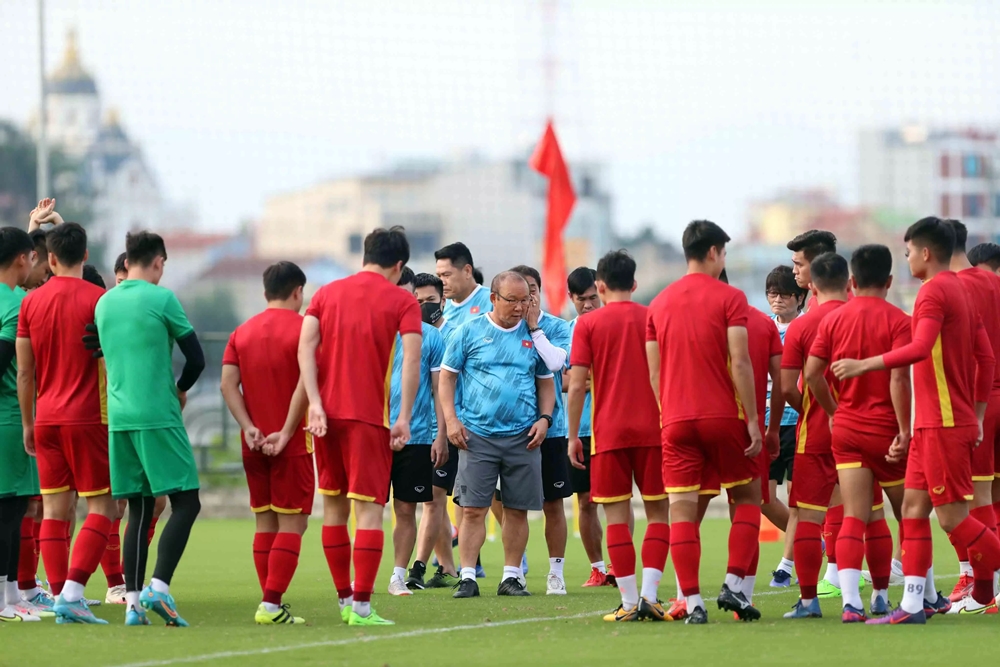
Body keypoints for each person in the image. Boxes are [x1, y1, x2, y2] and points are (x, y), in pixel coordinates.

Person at [832, 216, 1000, 624]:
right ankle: (911, 605)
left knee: (952, 517)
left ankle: (982, 587)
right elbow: (987, 357)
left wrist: (862, 365)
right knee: (911, 508)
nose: (905, 259)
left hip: (942, 422)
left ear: (925, 253)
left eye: (907, 251)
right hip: (937, 422)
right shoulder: (961, 289)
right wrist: (975, 416)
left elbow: (921, 347)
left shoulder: (932, 293)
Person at [299, 226, 422, 627]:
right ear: (399, 265)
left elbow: (305, 346)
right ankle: (364, 608)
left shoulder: (325, 293)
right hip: (369, 418)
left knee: (333, 510)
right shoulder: (403, 300)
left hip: (326, 417)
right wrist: (403, 417)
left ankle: (343, 599)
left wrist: (314, 404)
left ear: (365, 254)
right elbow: (413, 362)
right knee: (369, 514)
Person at [646, 219, 763, 625]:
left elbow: (654, 374)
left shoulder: (658, 304)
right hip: (723, 415)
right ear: (714, 252)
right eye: (724, 253)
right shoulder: (731, 297)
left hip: (675, 420)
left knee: (680, 511)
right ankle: (732, 582)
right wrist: (752, 420)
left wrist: (669, 414)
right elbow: (741, 362)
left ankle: (693, 603)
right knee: (749, 497)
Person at [95, 230, 206, 627]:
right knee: (187, 501)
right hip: (158, 414)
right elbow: (196, 358)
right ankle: (160, 586)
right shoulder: (162, 298)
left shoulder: (104, 302)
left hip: (119, 421)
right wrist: (179, 390)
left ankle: (132, 604)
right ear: (158, 262)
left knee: (138, 510)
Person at [803, 245, 911, 622]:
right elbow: (899, 377)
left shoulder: (832, 320)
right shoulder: (899, 320)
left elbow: (812, 374)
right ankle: (905, 596)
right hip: (885, 431)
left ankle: (851, 603)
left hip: (846, 428)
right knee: (906, 516)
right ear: (890, 280)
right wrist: (905, 429)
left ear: (852, 281)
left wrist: (834, 411)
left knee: (854, 515)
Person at [16, 223, 113, 625]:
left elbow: (25, 372)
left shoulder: (30, 303)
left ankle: (58, 596)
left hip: (46, 419)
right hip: (88, 417)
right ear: (86, 256)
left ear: (49, 259)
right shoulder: (100, 300)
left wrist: (28, 423)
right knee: (102, 506)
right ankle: (73, 593)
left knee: (54, 510)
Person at [566, 250, 668, 621]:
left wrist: (573, 434)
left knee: (617, 519)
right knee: (658, 515)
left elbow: (576, 385)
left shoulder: (587, 326)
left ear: (601, 287)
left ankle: (627, 603)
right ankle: (651, 596)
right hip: (654, 431)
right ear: (636, 284)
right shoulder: (653, 316)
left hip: (608, 432)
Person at [440, 271, 555, 599]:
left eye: (525, 300)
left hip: (524, 435)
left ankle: (511, 576)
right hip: (477, 435)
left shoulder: (534, 335)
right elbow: (446, 379)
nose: (520, 308)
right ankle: (467, 577)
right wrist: (451, 421)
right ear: (494, 299)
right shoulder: (468, 331)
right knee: (474, 508)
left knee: (518, 509)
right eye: (512, 301)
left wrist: (545, 419)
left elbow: (546, 381)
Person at [221, 261, 312, 625]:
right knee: (294, 525)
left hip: (253, 443)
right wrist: (288, 431)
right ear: (297, 292)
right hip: (290, 444)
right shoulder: (305, 329)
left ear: (264, 293)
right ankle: (271, 605)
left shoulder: (242, 331)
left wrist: (249, 427)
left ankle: (269, 603)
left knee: (265, 523)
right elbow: (307, 383)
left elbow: (228, 384)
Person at [779, 252, 850, 619]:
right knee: (863, 514)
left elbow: (789, 386)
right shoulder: (868, 315)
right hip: (868, 429)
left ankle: (809, 600)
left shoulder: (803, 327)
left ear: (813, 282)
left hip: (817, 431)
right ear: (849, 280)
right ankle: (884, 596)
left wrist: (812, 408)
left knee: (808, 515)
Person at [942, 220, 1000, 606]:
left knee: (965, 500)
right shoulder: (994, 283)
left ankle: (982, 586)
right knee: (991, 496)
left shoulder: (956, 287)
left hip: (975, 402)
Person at [510, 265, 573, 595]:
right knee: (514, 505)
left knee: (553, 504)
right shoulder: (502, 328)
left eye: (532, 290)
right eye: (521, 292)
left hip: (552, 430)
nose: (527, 298)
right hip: (511, 431)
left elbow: (556, 366)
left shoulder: (558, 328)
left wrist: (535, 330)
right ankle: (514, 570)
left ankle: (556, 572)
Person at [387, 268, 448, 596]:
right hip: (375, 432)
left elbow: (440, 389)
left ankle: (398, 575)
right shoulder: (376, 332)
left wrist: (441, 434)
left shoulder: (432, 337)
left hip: (419, 434)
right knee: (366, 506)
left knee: (407, 507)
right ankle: (361, 577)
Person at [435, 242, 491, 578]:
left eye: (447, 274)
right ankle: (468, 565)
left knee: (500, 501)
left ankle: (518, 563)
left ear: (467, 270)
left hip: (493, 422)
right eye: (439, 274)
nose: (442, 281)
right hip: (454, 421)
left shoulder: (491, 302)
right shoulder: (444, 313)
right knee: (460, 497)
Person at [0, 227, 43, 622]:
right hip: (10, 420)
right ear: (20, 259)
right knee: (10, 509)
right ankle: (4, 600)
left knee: (13, 509)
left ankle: (13, 596)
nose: (36, 264)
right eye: (33, 256)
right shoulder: (15, 305)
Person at [409, 272, 460, 589]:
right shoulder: (413, 336)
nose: (424, 307)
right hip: (419, 430)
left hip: (449, 427)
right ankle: (449, 568)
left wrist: (447, 428)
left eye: (430, 301)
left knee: (433, 500)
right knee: (435, 503)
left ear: (443, 300)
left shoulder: (454, 334)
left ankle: (416, 568)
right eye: (418, 302)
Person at [565, 266, 615, 588]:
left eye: (592, 297)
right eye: (581, 299)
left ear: (602, 292)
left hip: (610, 424)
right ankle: (597, 568)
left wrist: (585, 379)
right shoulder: (567, 330)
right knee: (585, 501)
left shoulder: (614, 327)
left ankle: (617, 565)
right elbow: (569, 381)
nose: (587, 305)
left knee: (615, 500)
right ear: (571, 298)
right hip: (580, 427)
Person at [763, 266, 805, 588]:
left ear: (799, 297)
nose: (777, 299)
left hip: (799, 419)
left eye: (784, 293)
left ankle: (786, 565)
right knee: (763, 496)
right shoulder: (763, 329)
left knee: (796, 499)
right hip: (767, 421)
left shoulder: (804, 328)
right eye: (772, 293)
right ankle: (808, 539)